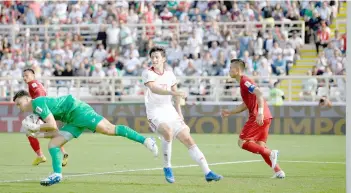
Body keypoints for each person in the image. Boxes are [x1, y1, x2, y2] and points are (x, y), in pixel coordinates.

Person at [14, 91, 158, 186]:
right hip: (71, 120)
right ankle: (57, 174)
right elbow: (55, 131)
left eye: (19, 103)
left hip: (78, 110)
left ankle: (146, 140)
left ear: (27, 99)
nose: (18, 106)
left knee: (109, 129)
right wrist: (38, 135)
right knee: (53, 145)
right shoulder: (37, 109)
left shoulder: (37, 103)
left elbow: (51, 124)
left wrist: (36, 128)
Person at [142, 46, 222, 183]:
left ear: (164, 59)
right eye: (152, 57)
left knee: (188, 138)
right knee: (167, 131)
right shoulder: (148, 73)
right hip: (154, 112)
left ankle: (207, 172)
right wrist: (174, 93)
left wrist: (179, 113)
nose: (154, 59)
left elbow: (176, 95)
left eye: (157, 57)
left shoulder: (170, 74)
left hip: (170, 110)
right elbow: (154, 89)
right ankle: (167, 167)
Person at [221, 59, 285, 179]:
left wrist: (259, 113)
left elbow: (259, 93)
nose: (229, 70)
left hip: (258, 116)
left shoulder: (245, 81)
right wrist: (230, 112)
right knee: (260, 146)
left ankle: (272, 153)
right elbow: (245, 104)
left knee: (242, 142)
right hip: (266, 116)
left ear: (238, 70)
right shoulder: (242, 84)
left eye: (231, 68)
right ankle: (278, 171)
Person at [23, 68, 69, 166]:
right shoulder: (39, 83)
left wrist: (36, 102)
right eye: (23, 76)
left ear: (33, 76)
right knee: (54, 132)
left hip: (41, 110)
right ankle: (63, 153)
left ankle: (40, 155)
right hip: (47, 110)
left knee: (28, 131)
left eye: (27, 75)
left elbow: (39, 94)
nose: (24, 78)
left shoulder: (33, 84)